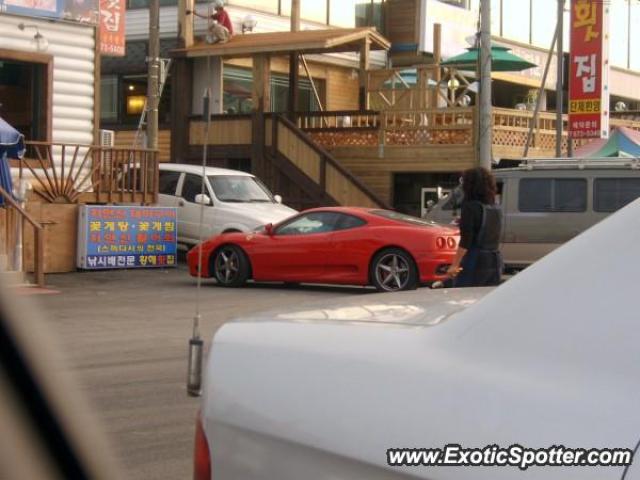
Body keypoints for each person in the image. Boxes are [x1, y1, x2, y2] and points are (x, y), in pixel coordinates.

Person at [446, 167, 503, 287]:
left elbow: (466, 241)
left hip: (475, 261)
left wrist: (454, 265)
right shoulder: (496, 207)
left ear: (470, 185)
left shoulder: (470, 207)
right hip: (495, 260)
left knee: (465, 297)